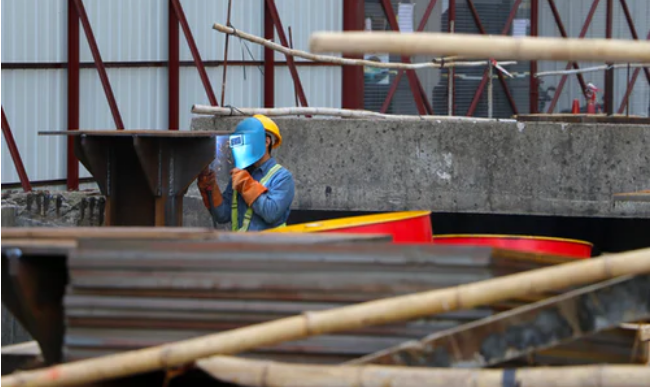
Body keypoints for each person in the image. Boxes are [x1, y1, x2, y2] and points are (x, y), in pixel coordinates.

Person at [196, 115, 295, 232]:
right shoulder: (241, 174)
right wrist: (210, 189)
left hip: (270, 248)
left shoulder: (282, 177)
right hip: (241, 248)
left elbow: (271, 213)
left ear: (266, 141)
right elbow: (222, 215)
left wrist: (246, 185)